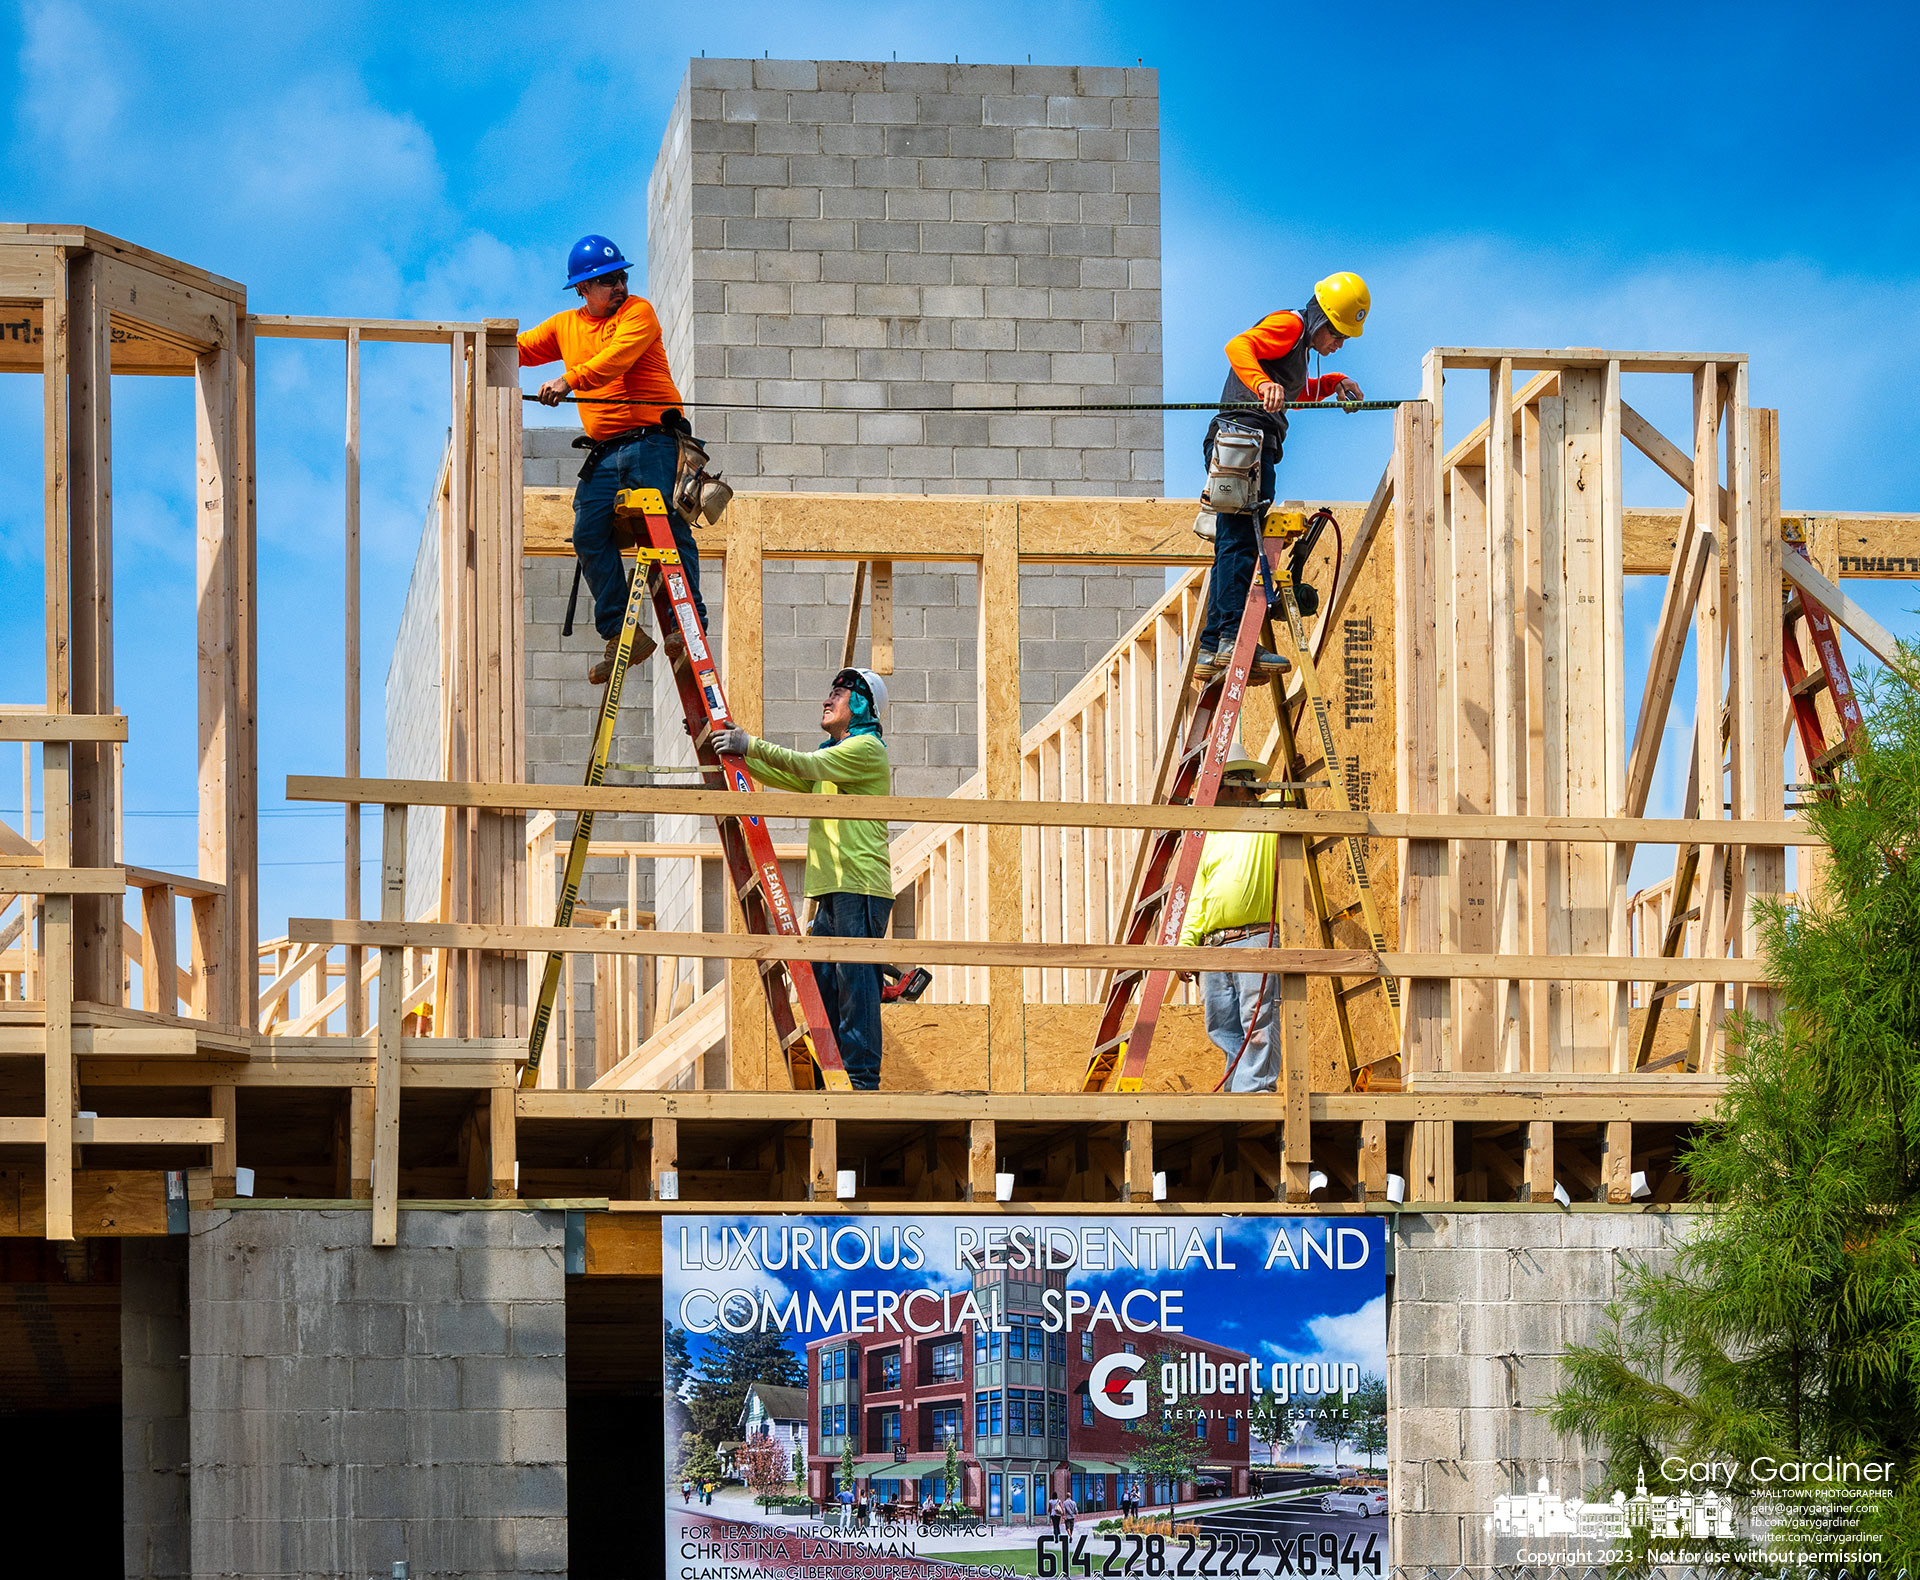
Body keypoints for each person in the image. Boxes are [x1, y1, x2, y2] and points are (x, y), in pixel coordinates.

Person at [519, 233, 708, 685]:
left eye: (620, 276)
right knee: (587, 533)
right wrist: (476, 347)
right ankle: (621, 631)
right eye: (606, 281)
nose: (618, 286)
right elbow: (517, 348)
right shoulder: (565, 325)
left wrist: (569, 380)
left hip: (653, 443)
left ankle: (690, 623)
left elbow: (617, 359)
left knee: (668, 528)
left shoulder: (638, 313)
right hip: (606, 454)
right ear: (582, 290)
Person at [712, 667, 894, 1090]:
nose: (826, 700)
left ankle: (863, 1081)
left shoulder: (866, 749)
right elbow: (792, 774)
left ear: (862, 705)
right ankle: (834, 1077)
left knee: (856, 982)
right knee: (826, 985)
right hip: (832, 888)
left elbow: (805, 763)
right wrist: (736, 752)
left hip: (859, 885)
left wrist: (749, 743)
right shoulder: (835, 761)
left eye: (838, 694)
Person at [1195, 273, 1370, 682]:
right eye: (1338, 336)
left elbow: (1293, 396)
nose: (1339, 344)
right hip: (1244, 438)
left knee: (1232, 540)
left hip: (1248, 441)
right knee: (1239, 541)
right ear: (1321, 320)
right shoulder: (1290, 325)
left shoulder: (1299, 349)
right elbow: (1237, 345)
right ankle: (1233, 641)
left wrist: (1331, 382)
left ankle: (1213, 644)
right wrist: (1260, 383)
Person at [1178, 751, 1287, 1093]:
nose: (1210, 798)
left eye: (1216, 788)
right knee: (1222, 1025)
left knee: (1257, 1020)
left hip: (1255, 938)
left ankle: (1252, 1092)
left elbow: (1292, 798)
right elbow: (1198, 895)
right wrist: (1186, 944)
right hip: (1214, 944)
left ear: (1238, 787)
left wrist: (1292, 774)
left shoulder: (1270, 817)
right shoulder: (1211, 835)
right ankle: (1239, 1090)